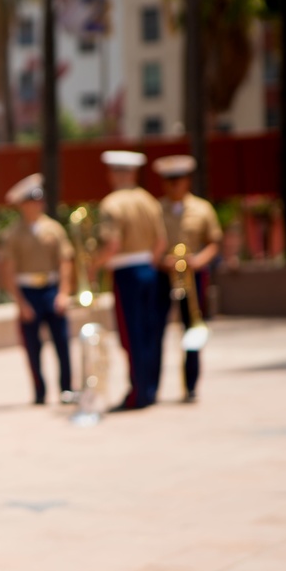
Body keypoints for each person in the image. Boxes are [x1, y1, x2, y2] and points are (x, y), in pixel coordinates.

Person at [92, 150, 167, 411]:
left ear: (115, 173)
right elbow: (161, 243)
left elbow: (112, 244)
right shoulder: (150, 201)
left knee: (131, 335)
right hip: (150, 269)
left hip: (126, 273)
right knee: (150, 334)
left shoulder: (112, 204)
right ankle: (149, 389)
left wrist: (94, 265)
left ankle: (138, 393)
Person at [0, 173, 75, 406]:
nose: (37, 205)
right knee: (33, 347)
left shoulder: (54, 229)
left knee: (62, 342)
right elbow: (8, 271)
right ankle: (40, 392)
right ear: (23, 205)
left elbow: (65, 262)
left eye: (39, 200)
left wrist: (63, 293)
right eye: (32, 201)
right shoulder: (13, 234)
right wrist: (20, 303)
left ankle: (67, 389)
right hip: (28, 291)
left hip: (50, 289)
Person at [151, 154, 222, 403]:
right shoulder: (155, 209)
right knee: (155, 330)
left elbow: (214, 242)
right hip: (162, 276)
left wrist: (198, 261)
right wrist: (161, 261)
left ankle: (190, 385)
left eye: (178, 179)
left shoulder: (202, 208)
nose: (174, 185)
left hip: (192, 276)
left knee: (192, 330)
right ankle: (151, 386)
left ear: (187, 180)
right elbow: (150, 246)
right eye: (169, 180)